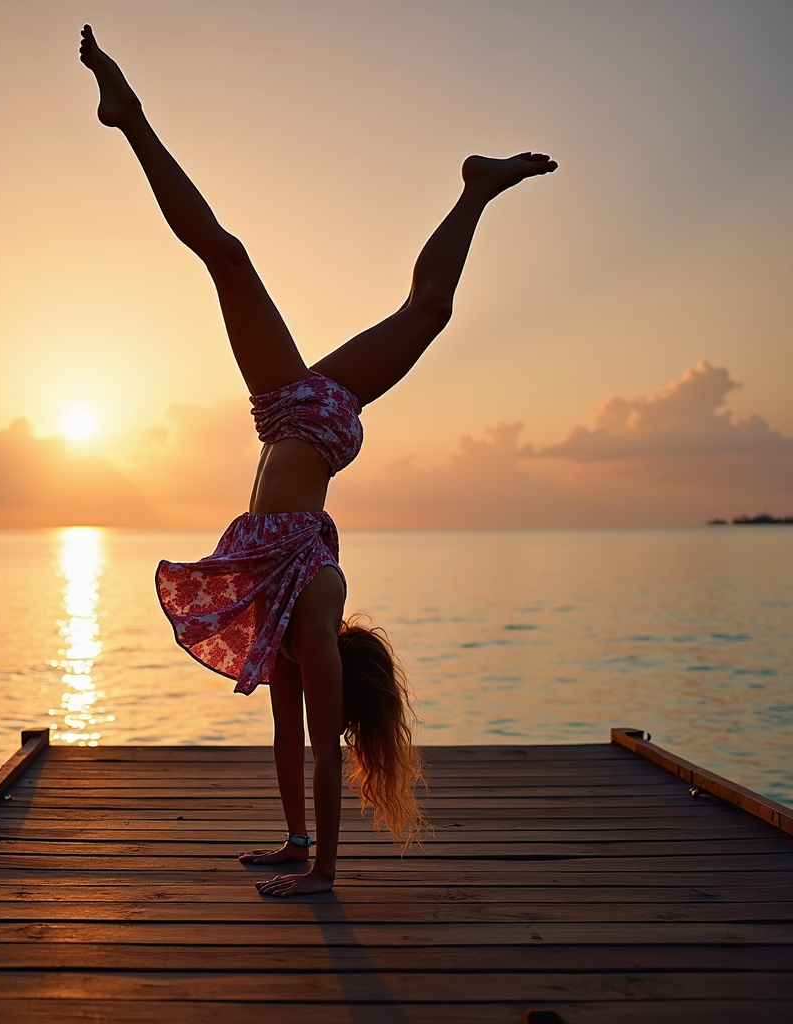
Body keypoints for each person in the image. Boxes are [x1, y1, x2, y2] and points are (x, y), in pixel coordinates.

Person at [79, 24, 556, 898]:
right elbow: (322, 756)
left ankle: (478, 189)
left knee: (410, 310)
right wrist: (326, 875)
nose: (293, 690)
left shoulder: (297, 628)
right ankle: (132, 117)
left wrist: (298, 854)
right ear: (343, 668)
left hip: (304, 424)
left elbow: (289, 743)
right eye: (321, 689)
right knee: (240, 262)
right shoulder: (318, 608)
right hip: (306, 416)